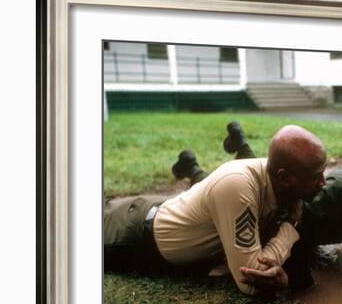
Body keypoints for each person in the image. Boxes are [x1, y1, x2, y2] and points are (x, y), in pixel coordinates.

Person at [172, 122, 342, 291]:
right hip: (288, 205)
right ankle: (193, 168)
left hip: (297, 197)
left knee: (263, 181)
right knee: (247, 196)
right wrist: (300, 282)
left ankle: (240, 144)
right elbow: (290, 225)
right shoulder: (332, 196)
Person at [104, 124, 327, 295]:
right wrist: (290, 226)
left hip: (170, 208)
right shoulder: (238, 185)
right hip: (133, 236)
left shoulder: (276, 178)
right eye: (316, 177)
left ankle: (189, 164)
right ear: (284, 178)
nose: (323, 182)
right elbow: (249, 282)